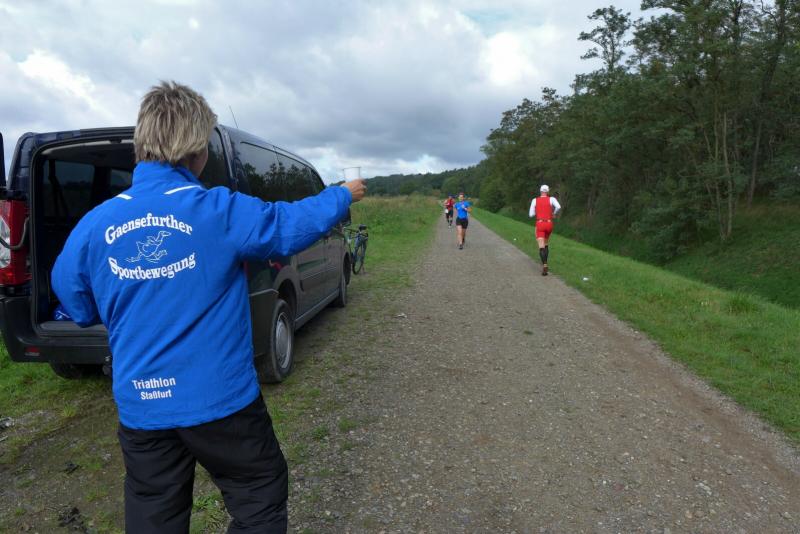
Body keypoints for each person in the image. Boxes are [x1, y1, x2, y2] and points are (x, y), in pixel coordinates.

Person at [51, 81, 366, 533]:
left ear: (141, 145)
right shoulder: (217, 209)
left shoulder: (93, 224)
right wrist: (342, 194)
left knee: (153, 509)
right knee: (259, 495)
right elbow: (289, 224)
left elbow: (75, 302)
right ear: (198, 151)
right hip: (221, 402)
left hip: (142, 406)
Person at [529, 184, 561, 275]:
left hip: (540, 224)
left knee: (541, 246)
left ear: (540, 191)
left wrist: (537, 211)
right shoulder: (552, 199)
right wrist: (553, 213)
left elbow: (531, 215)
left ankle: (545, 265)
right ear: (548, 191)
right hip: (549, 224)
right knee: (546, 244)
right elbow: (558, 207)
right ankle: (545, 264)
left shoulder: (535, 200)